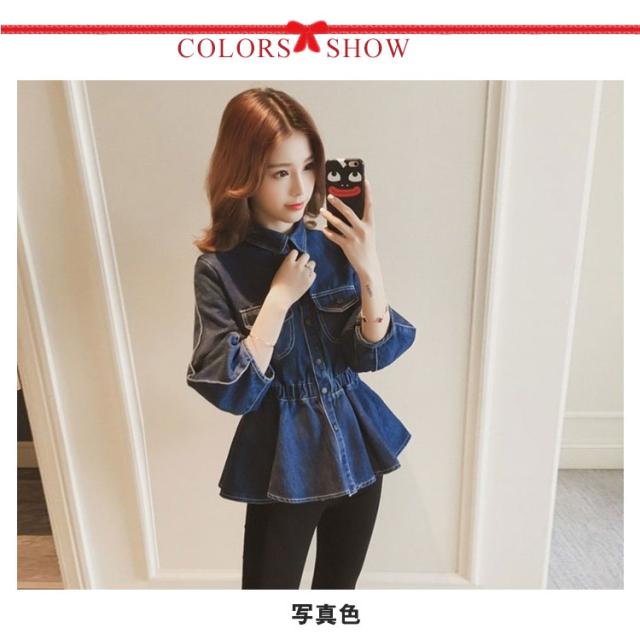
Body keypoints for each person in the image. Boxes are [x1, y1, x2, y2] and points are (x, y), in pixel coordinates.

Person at [186, 87, 417, 589]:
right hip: (283, 464)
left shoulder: (332, 243)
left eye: (309, 166)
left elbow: (371, 353)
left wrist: (369, 265)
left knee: (337, 594)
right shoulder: (219, 269)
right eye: (279, 172)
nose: (300, 187)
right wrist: (277, 300)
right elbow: (232, 390)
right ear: (243, 174)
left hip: (358, 447)